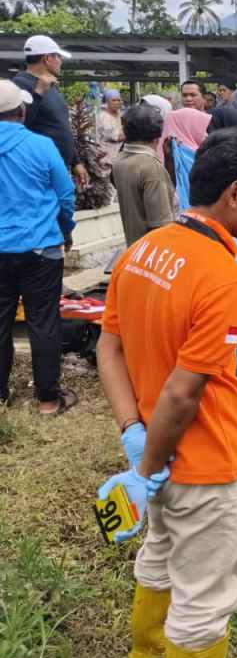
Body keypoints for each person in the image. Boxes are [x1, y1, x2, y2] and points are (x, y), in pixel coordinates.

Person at [96, 128, 237, 658]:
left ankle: (146, 656)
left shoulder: (139, 251)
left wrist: (136, 437)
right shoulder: (223, 275)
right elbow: (186, 390)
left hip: (149, 449)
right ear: (233, 193)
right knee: (205, 597)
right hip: (202, 461)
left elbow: (110, 347)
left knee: (158, 550)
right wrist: (151, 461)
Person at [0, 79, 77, 414]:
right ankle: (47, 399)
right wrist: (65, 229)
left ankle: (0, 397)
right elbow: (65, 195)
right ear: (22, 109)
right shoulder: (42, 145)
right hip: (41, 248)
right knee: (43, 321)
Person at [13, 35, 88, 187]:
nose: (61, 61)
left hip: (59, 167)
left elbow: (60, 125)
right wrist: (38, 92)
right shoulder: (19, 85)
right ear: (47, 58)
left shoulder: (51, 85)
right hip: (38, 169)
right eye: (58, 57)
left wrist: (75, 161)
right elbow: (18, 126)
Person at [112, 104, 174, 246]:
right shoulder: (150, 167)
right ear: (158, 133)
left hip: (135, 248)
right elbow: (160, 224)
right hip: (154, 254)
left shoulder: (120, 160)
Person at [96, 88, 125, 176]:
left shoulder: (117, 114)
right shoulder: (104, 117)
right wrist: (134, 132)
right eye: (113, 100)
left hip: (117, 157)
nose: (117, 102)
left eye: (118, 100)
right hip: (107, 159)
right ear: (107, 102)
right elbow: (117, 137)